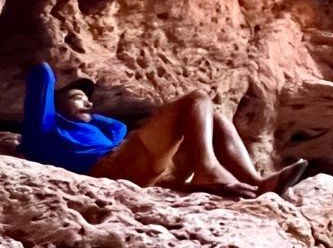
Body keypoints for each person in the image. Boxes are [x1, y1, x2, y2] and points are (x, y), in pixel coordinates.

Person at [20, 62, 306, 199]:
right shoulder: (45, 129)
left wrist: (88, 115)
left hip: (140, 166)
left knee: (213, 117)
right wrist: (59, 100)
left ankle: (258, 182)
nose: (88, 102)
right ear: (54, 107)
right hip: (110, 167)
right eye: (77, 98)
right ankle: (206, 167)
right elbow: (41, 73)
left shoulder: (102, 132)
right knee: (196, 99)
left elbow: (118, 127)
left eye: (88, 99)